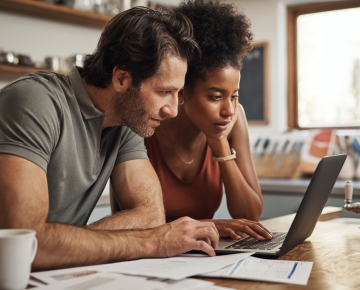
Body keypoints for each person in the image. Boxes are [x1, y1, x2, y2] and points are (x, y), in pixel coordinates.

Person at [0, 7, 220, 271]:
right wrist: (151, 242)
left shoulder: (126, 122)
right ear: (121, 78)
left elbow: (151, 216)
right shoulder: (34, 101)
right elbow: (26, 245)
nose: (173, 110)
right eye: (164, 91)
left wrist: (66, 244)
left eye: (178, 94)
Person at [140, 0, 272, 242]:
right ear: (182, 92)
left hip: (205, 257)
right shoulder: (146, 126)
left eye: (234, 96)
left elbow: (251, 215)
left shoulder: (234, 118)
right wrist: (210, 225)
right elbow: (132, 225)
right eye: (215, 96)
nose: (228, 110)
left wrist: (219, 143)